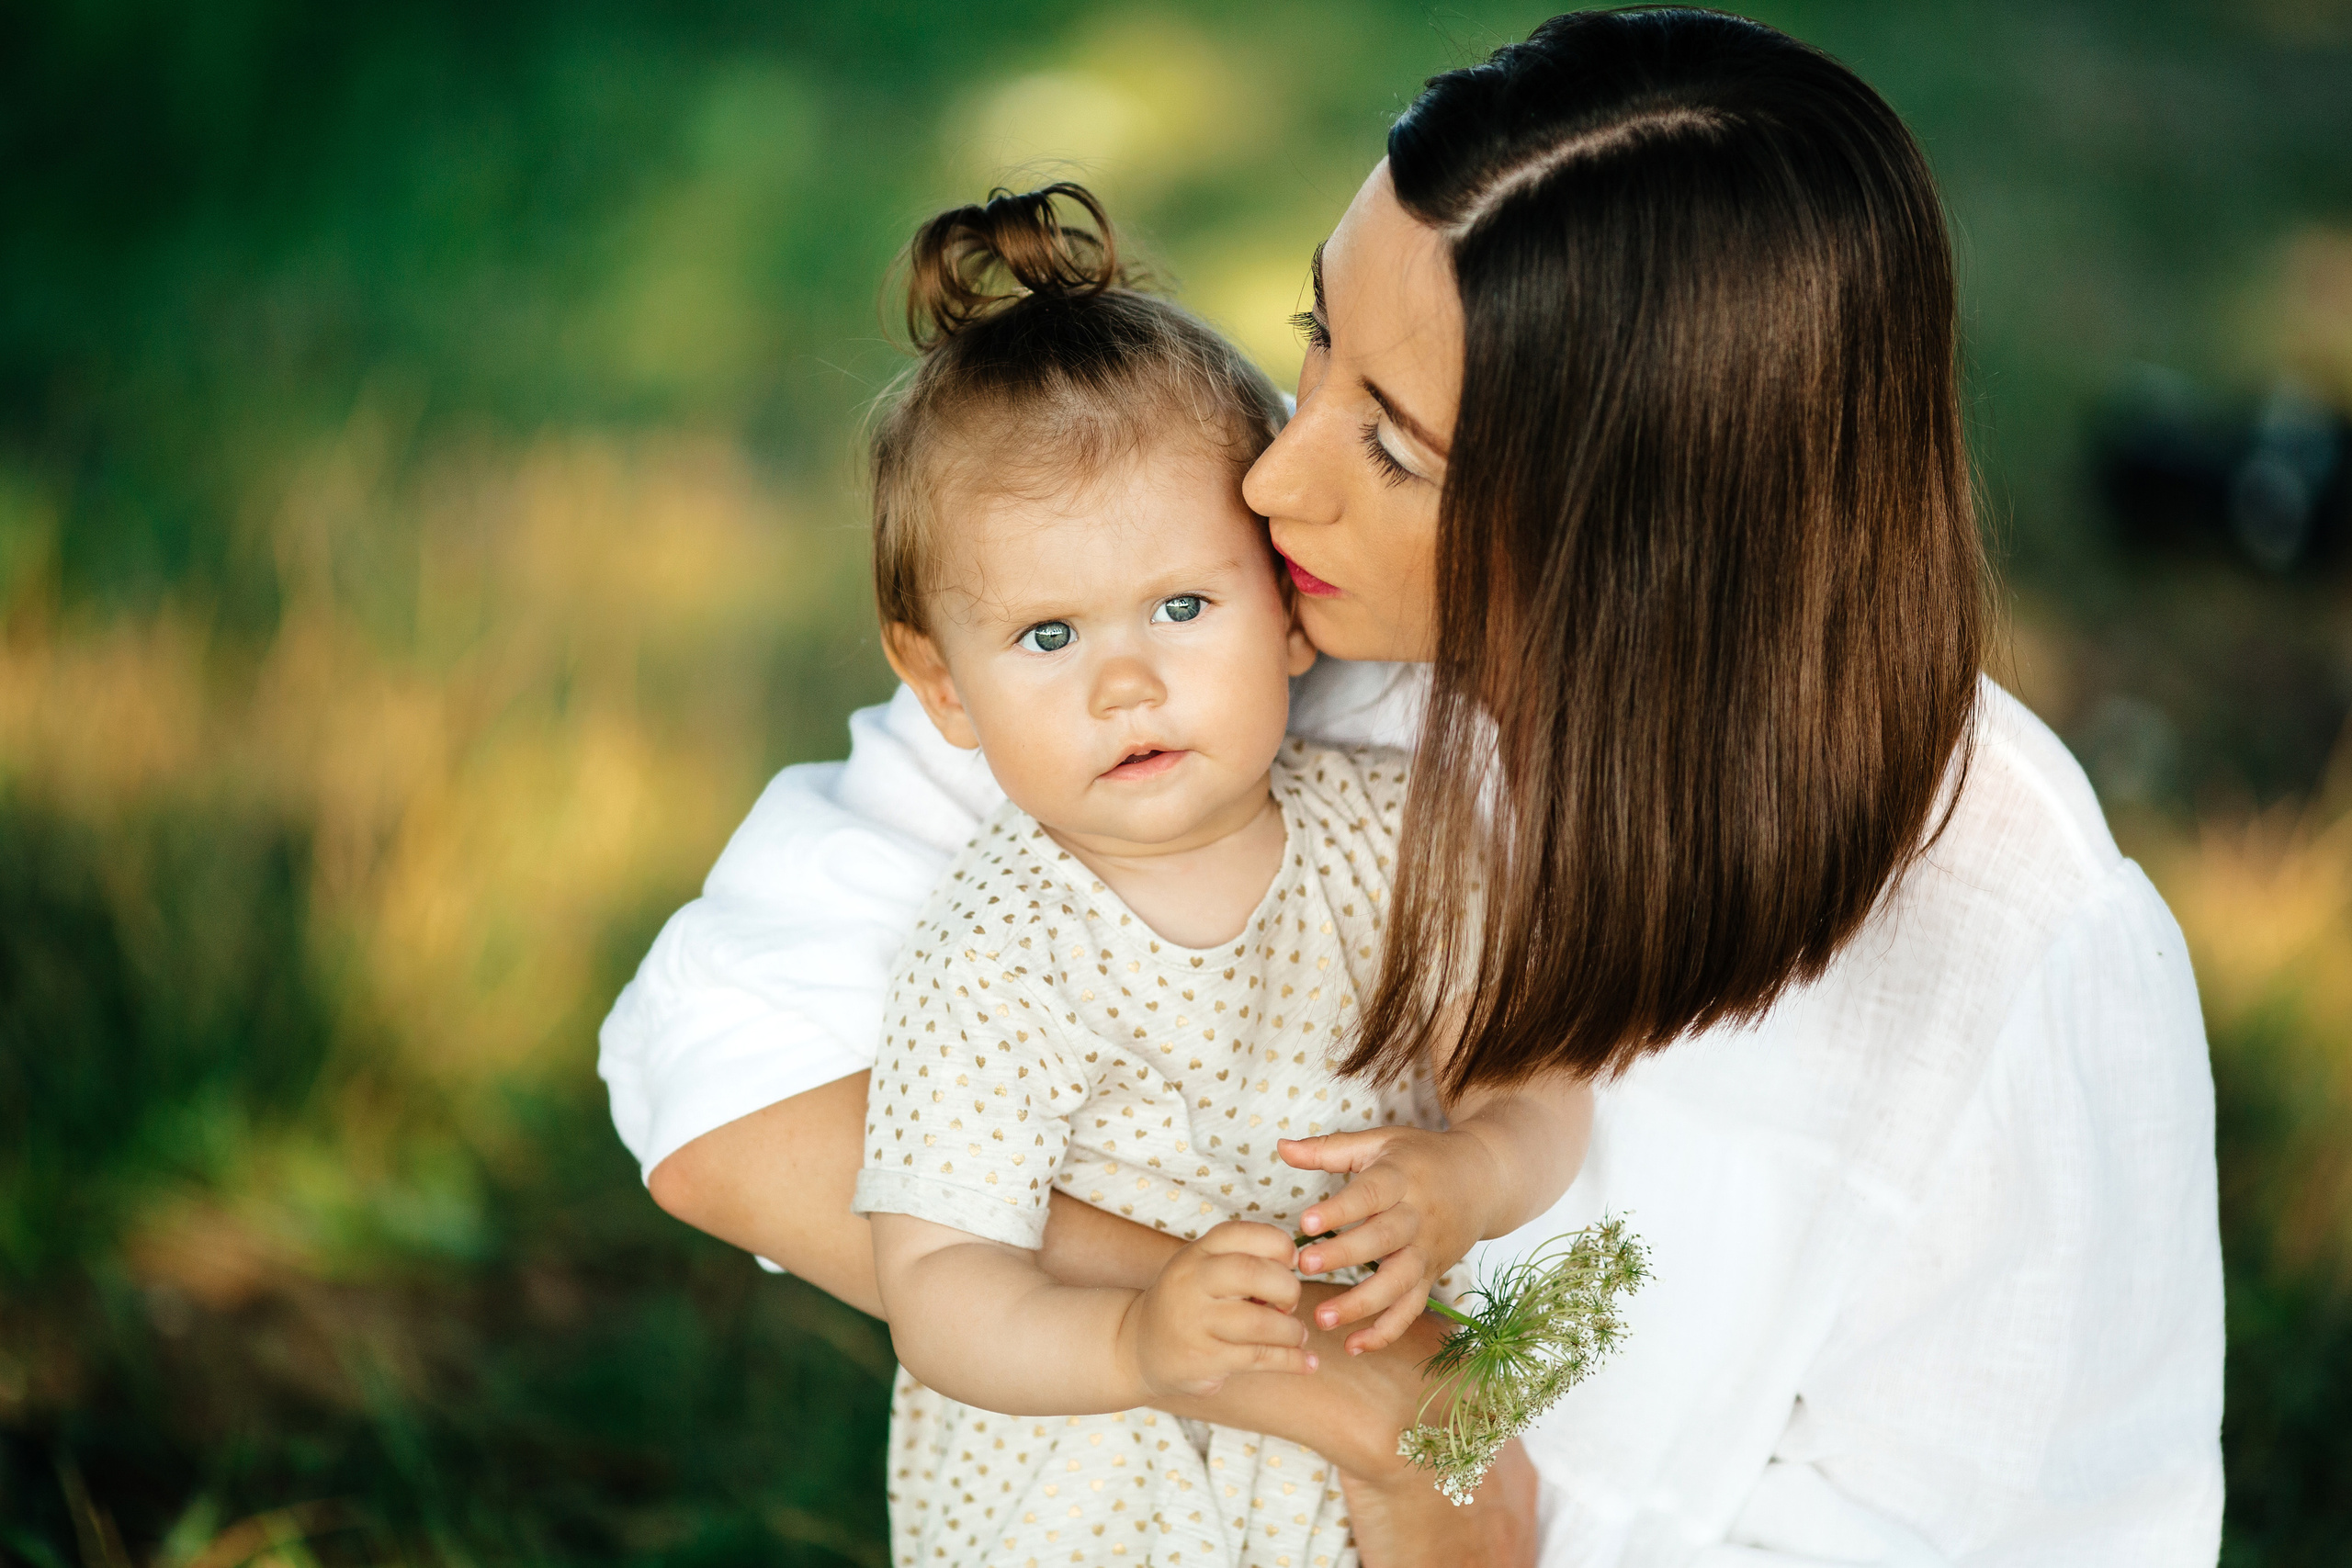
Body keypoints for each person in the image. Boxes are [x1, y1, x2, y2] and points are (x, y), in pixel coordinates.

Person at [601, 10, 2225, 1564]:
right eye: (1317, 338)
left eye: (1393, 447)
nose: (1271, 472)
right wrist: (1361, 1388)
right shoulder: (1204, 632)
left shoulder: (2012, 957)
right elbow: (728, 1089)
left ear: (1641, 540)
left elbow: (1998, 1532)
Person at [845, 184, 1591, 1568]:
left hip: (1331, 1500)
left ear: (1290, 611)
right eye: (1050, 635)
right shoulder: (997, 947)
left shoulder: (1395, 842)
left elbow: (1536, 1085)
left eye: (1183, 607)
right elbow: (941, 1284)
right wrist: (1135, 1341)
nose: (1127, 683)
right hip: (1089, 1492)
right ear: (941, 682)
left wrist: (1467, 1179)